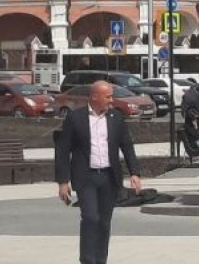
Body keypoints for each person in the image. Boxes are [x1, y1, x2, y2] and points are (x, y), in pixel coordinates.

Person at [55, 81, 141, 264]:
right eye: (108, 96)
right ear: (94, 97)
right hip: (86, 177)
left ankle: (100, 260)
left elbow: (126, 145)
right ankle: (87, 260)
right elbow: (62, 150)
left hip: (109, 177)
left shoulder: (116, 118)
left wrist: (135, 173)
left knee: (104, 222)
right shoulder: (75, 118)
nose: (112, 100)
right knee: (90, 217)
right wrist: (63, 181)